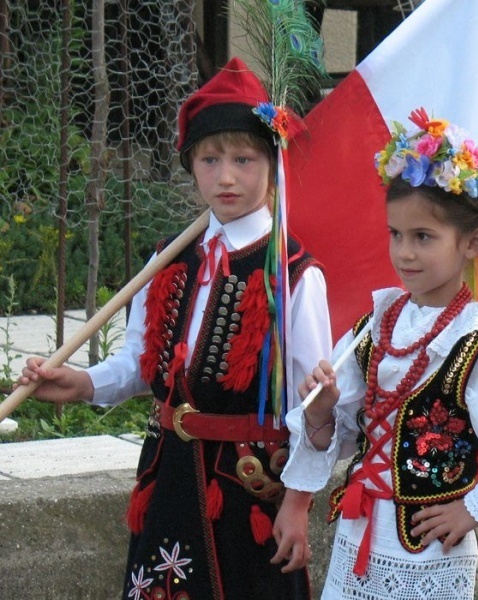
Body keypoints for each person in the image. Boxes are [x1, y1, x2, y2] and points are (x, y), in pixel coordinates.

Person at [15, 57, 332, 600]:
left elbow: (313, 404)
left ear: (273, 164)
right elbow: (141, 364)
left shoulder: (293, 273)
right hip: (168, 478)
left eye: (244, 159)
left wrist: (299, 502)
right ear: (191, 166)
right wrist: (83, 383)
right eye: (210, 159)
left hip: (248, 489)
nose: (226, 176)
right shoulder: (168, 259)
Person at [278, 107, 478, 599]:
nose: (405, 252)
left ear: (471, 243)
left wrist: (474, 508)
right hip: (362, 537)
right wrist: (322, 411)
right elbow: (340, 436)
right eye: (396, 234)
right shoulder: (375, 328)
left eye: (423, 237)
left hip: (439, 550)